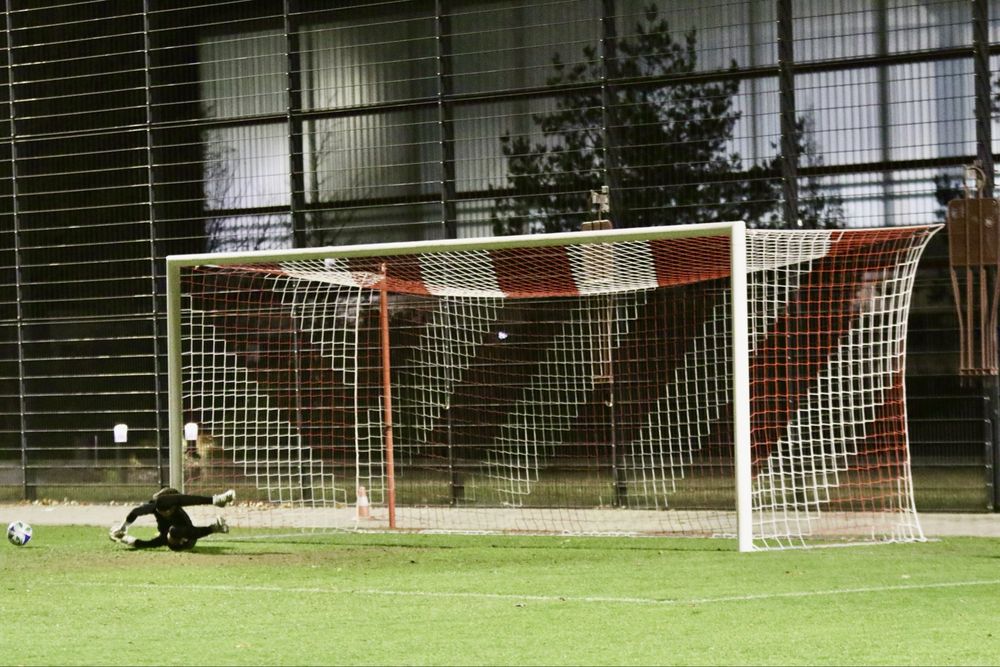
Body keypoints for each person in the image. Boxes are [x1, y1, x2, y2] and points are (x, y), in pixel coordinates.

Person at [109, 487, 235, 551]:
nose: (168, 512)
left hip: (188, 538)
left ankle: (216, 501)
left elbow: (191, 531)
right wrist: (122, 534)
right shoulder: (156, 508)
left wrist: (209, 530)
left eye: (171, 508)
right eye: (165, 509)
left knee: (173, 529)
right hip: (176, 540)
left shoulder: (179, 514)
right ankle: (216, 512)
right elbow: (135, 513)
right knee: (169, 529)